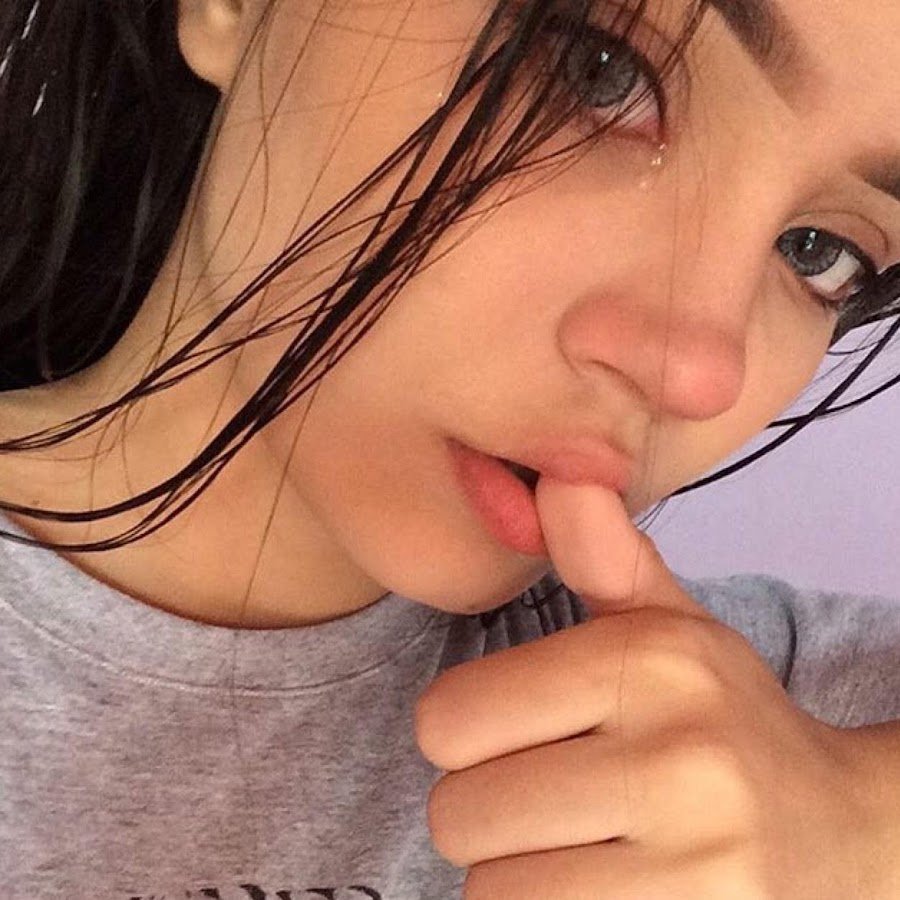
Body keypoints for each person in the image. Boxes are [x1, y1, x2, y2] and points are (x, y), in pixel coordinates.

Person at [0, 0, 898, 896]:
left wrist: (860, 827)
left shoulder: (769, 738)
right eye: (598, 72)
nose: (696, 373)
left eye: (819, 252)